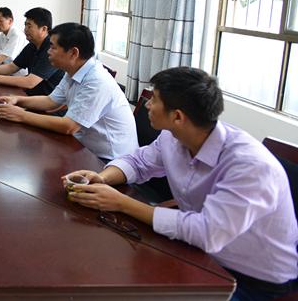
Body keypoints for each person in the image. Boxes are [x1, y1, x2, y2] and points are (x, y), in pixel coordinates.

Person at [62, 67, 298, 301]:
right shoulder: (173, 136)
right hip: (199, 252)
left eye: (154, 99)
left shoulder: (250, 166)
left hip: (253, 279)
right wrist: (103, 178)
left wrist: (121, 203)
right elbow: (139, 162)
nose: (147, 104)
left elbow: (207, 233)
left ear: (177, 116)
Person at [0, 22, 137, 161]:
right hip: (83, 145)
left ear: (73, 53)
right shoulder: (73, 70)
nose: (48, 52)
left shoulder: (97, 82)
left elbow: (69, 126)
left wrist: (21, 115)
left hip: (109, 159)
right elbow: (50, 101)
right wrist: (17, 100)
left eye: (53, 47)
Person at [0, 7, 63, 95]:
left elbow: (30, 82)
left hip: (45, 99)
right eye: (25, 25)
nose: (25, 29)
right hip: (30, 93)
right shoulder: (32, 45)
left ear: (44, 29)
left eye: (29, 26)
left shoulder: (52, 49)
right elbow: (12, 67)